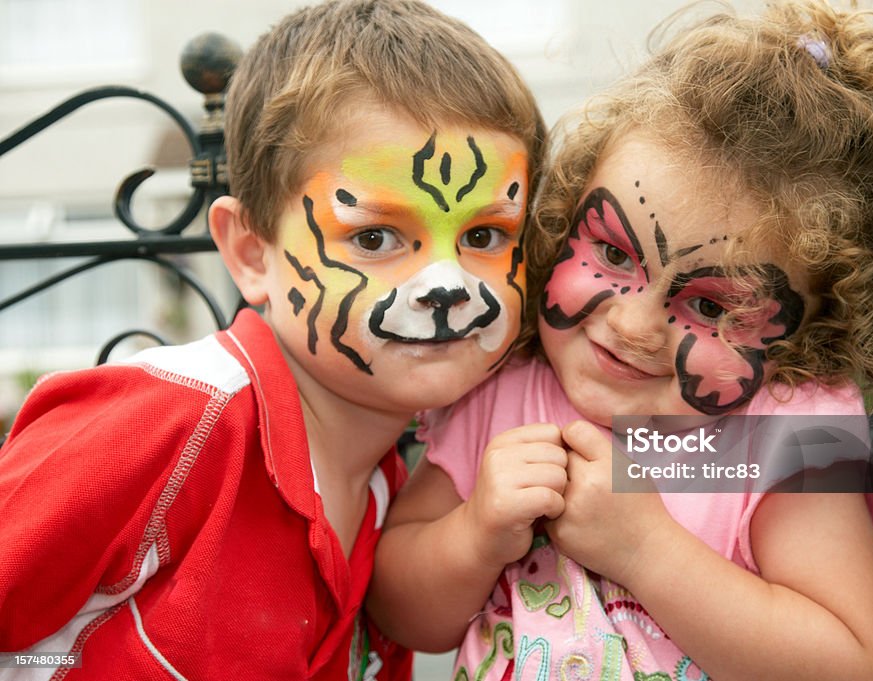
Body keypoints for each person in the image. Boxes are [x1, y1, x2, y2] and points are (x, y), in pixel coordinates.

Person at [368, 2, 873, 680]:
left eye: (711, 304)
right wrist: (474, 533)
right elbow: (396, 609)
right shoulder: (502, 392)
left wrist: (645, 549)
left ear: (812, 325)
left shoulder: (785, 436)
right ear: (566, 219)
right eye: (616, 255)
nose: (634, 325)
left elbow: (852, 666)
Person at [0, 1, 545, 678]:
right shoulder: (171, 422)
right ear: (253, 254)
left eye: (484, 235)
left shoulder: (392, 494)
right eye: (374, 237)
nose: (447, 284)